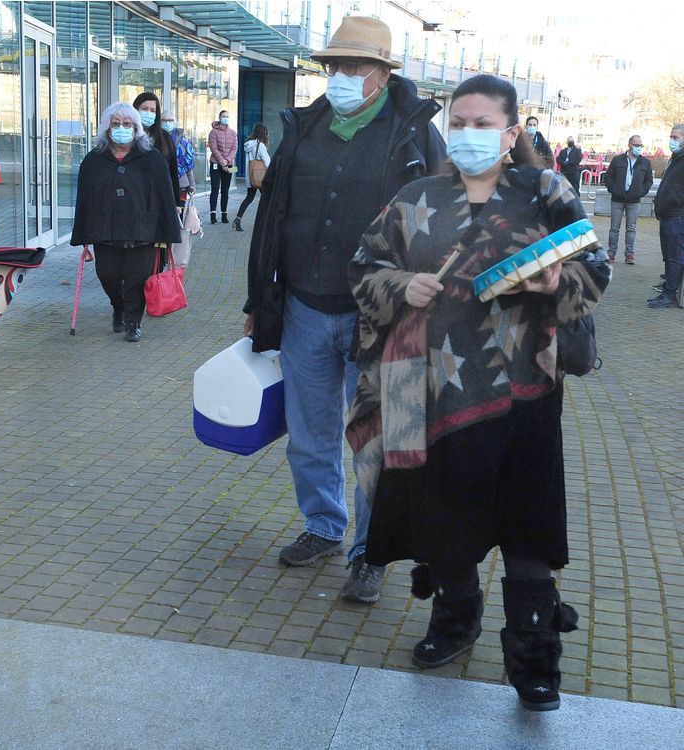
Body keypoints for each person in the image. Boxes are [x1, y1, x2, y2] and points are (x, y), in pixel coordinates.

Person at [347, 74, 609, 711]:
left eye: (483, 123)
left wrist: (552, 283)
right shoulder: (415, 198)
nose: (469, 134)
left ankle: (534, 658)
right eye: (459, 123)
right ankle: (455, 619)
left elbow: (595, 270)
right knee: (445, 524)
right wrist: (400, 286)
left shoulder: (546, 191)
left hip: (524, 393)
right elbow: (363, 269)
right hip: (428, 393)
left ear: (511, 131)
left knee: (527, 532)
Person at [243, 16, 446, 604]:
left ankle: (370, 550)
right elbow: (271, 219)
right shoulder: (303, 128)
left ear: (384, 74)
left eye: (355, 67)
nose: (341, 77)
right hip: (305, 306)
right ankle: (323, 527)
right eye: (335, 66)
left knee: (376, 439)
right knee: (309, 434)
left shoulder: (413, 135)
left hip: (383, 317)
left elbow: (442, 226)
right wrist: (261, 299)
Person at [70, 102, 180, 342]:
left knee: (137, 280)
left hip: (142, 232)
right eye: (116, 124)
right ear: (107, 129)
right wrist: (84, 235)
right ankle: (118, 306)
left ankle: (133, 322)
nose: (122, 128)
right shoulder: (94, 160)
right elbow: (85, 199)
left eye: (127, 124)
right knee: (107, 276)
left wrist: (166, 234)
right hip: (105, 232)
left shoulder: (151, 159)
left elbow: (164, 197)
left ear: (136, 127)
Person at [648, 124, 684, 309]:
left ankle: (669, 294)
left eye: (675, 137)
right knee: (668, 256)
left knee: (674, 256)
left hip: (677, 215)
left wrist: (676, 201)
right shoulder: (676, 158)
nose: (671, 140)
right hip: (667, 215)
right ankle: (668, 288)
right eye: (671, 136)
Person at [603, 135, 653, 265]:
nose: (639, 148)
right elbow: (608, 177)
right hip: (617, 199)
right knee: (614, 228)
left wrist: (641, 192)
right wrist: (613, 190)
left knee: (631, 228)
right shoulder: (618, 160)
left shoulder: (645, 162)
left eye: (641, 145)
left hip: (634, 200)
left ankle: (629, 254)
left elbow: (649, 181)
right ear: (629, 145)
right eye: (636, 145)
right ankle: (611, 253)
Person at [133, 93, 182, 209]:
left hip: (160, 201)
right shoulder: (129, 137)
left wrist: (176, 203)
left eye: (152, 110)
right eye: (144, 109)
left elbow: (172, 172)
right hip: (135, 200)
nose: (148, 113)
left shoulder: (165, 138)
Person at [232, 123, 269, 232]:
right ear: (263, 133)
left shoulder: (248, 145)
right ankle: (265, 223)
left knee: (249, 198)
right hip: (261, 177)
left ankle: (237, 219)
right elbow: (267, 162)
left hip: (252, 178)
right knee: (267, 199)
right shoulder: (260, 145)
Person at [207, 110, 237, 224]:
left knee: (225, 190)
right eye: (224, 116)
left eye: (227, 116)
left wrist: (227, 161)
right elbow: (214, 148)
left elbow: (234, 149)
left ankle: (224, 214)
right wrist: (222, 162)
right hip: (215, 163)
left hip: (229, 165)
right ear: (219, 117)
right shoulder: (213, 132)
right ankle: (213, 214)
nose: (225, 118)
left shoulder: (233, 133)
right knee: (215, 189)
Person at [162, 110, 196, 201]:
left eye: (170, 120)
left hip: (181, 184)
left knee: (179, 212)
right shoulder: (155, 139)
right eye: (164, 120)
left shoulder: (183, 142)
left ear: (175, 122)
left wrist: (192, 185)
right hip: (161, 185)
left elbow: (188, 164)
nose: (167, 123)